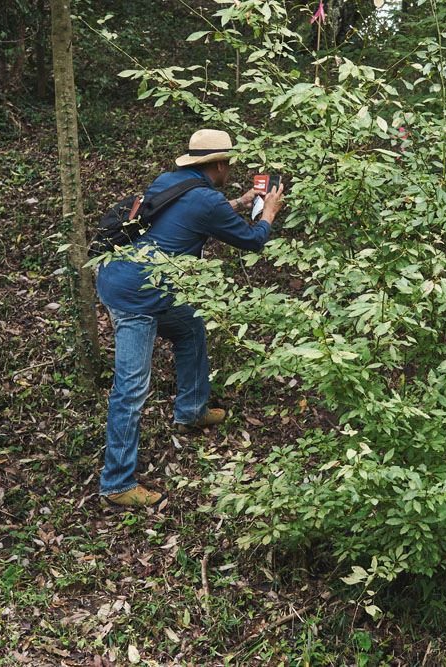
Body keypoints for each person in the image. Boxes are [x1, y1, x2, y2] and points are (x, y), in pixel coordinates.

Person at [95, 128, 285, 507]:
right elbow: (252, 241)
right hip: (137, 297)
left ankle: (191, 411)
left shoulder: (170, 180)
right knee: (131, 388)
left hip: (118, 274)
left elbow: (192, 214)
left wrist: (240, 202)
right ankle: (116, 485)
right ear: (220, 164)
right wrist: (269, 213)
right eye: (228, 162)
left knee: (190, 327)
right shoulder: (206, 199)